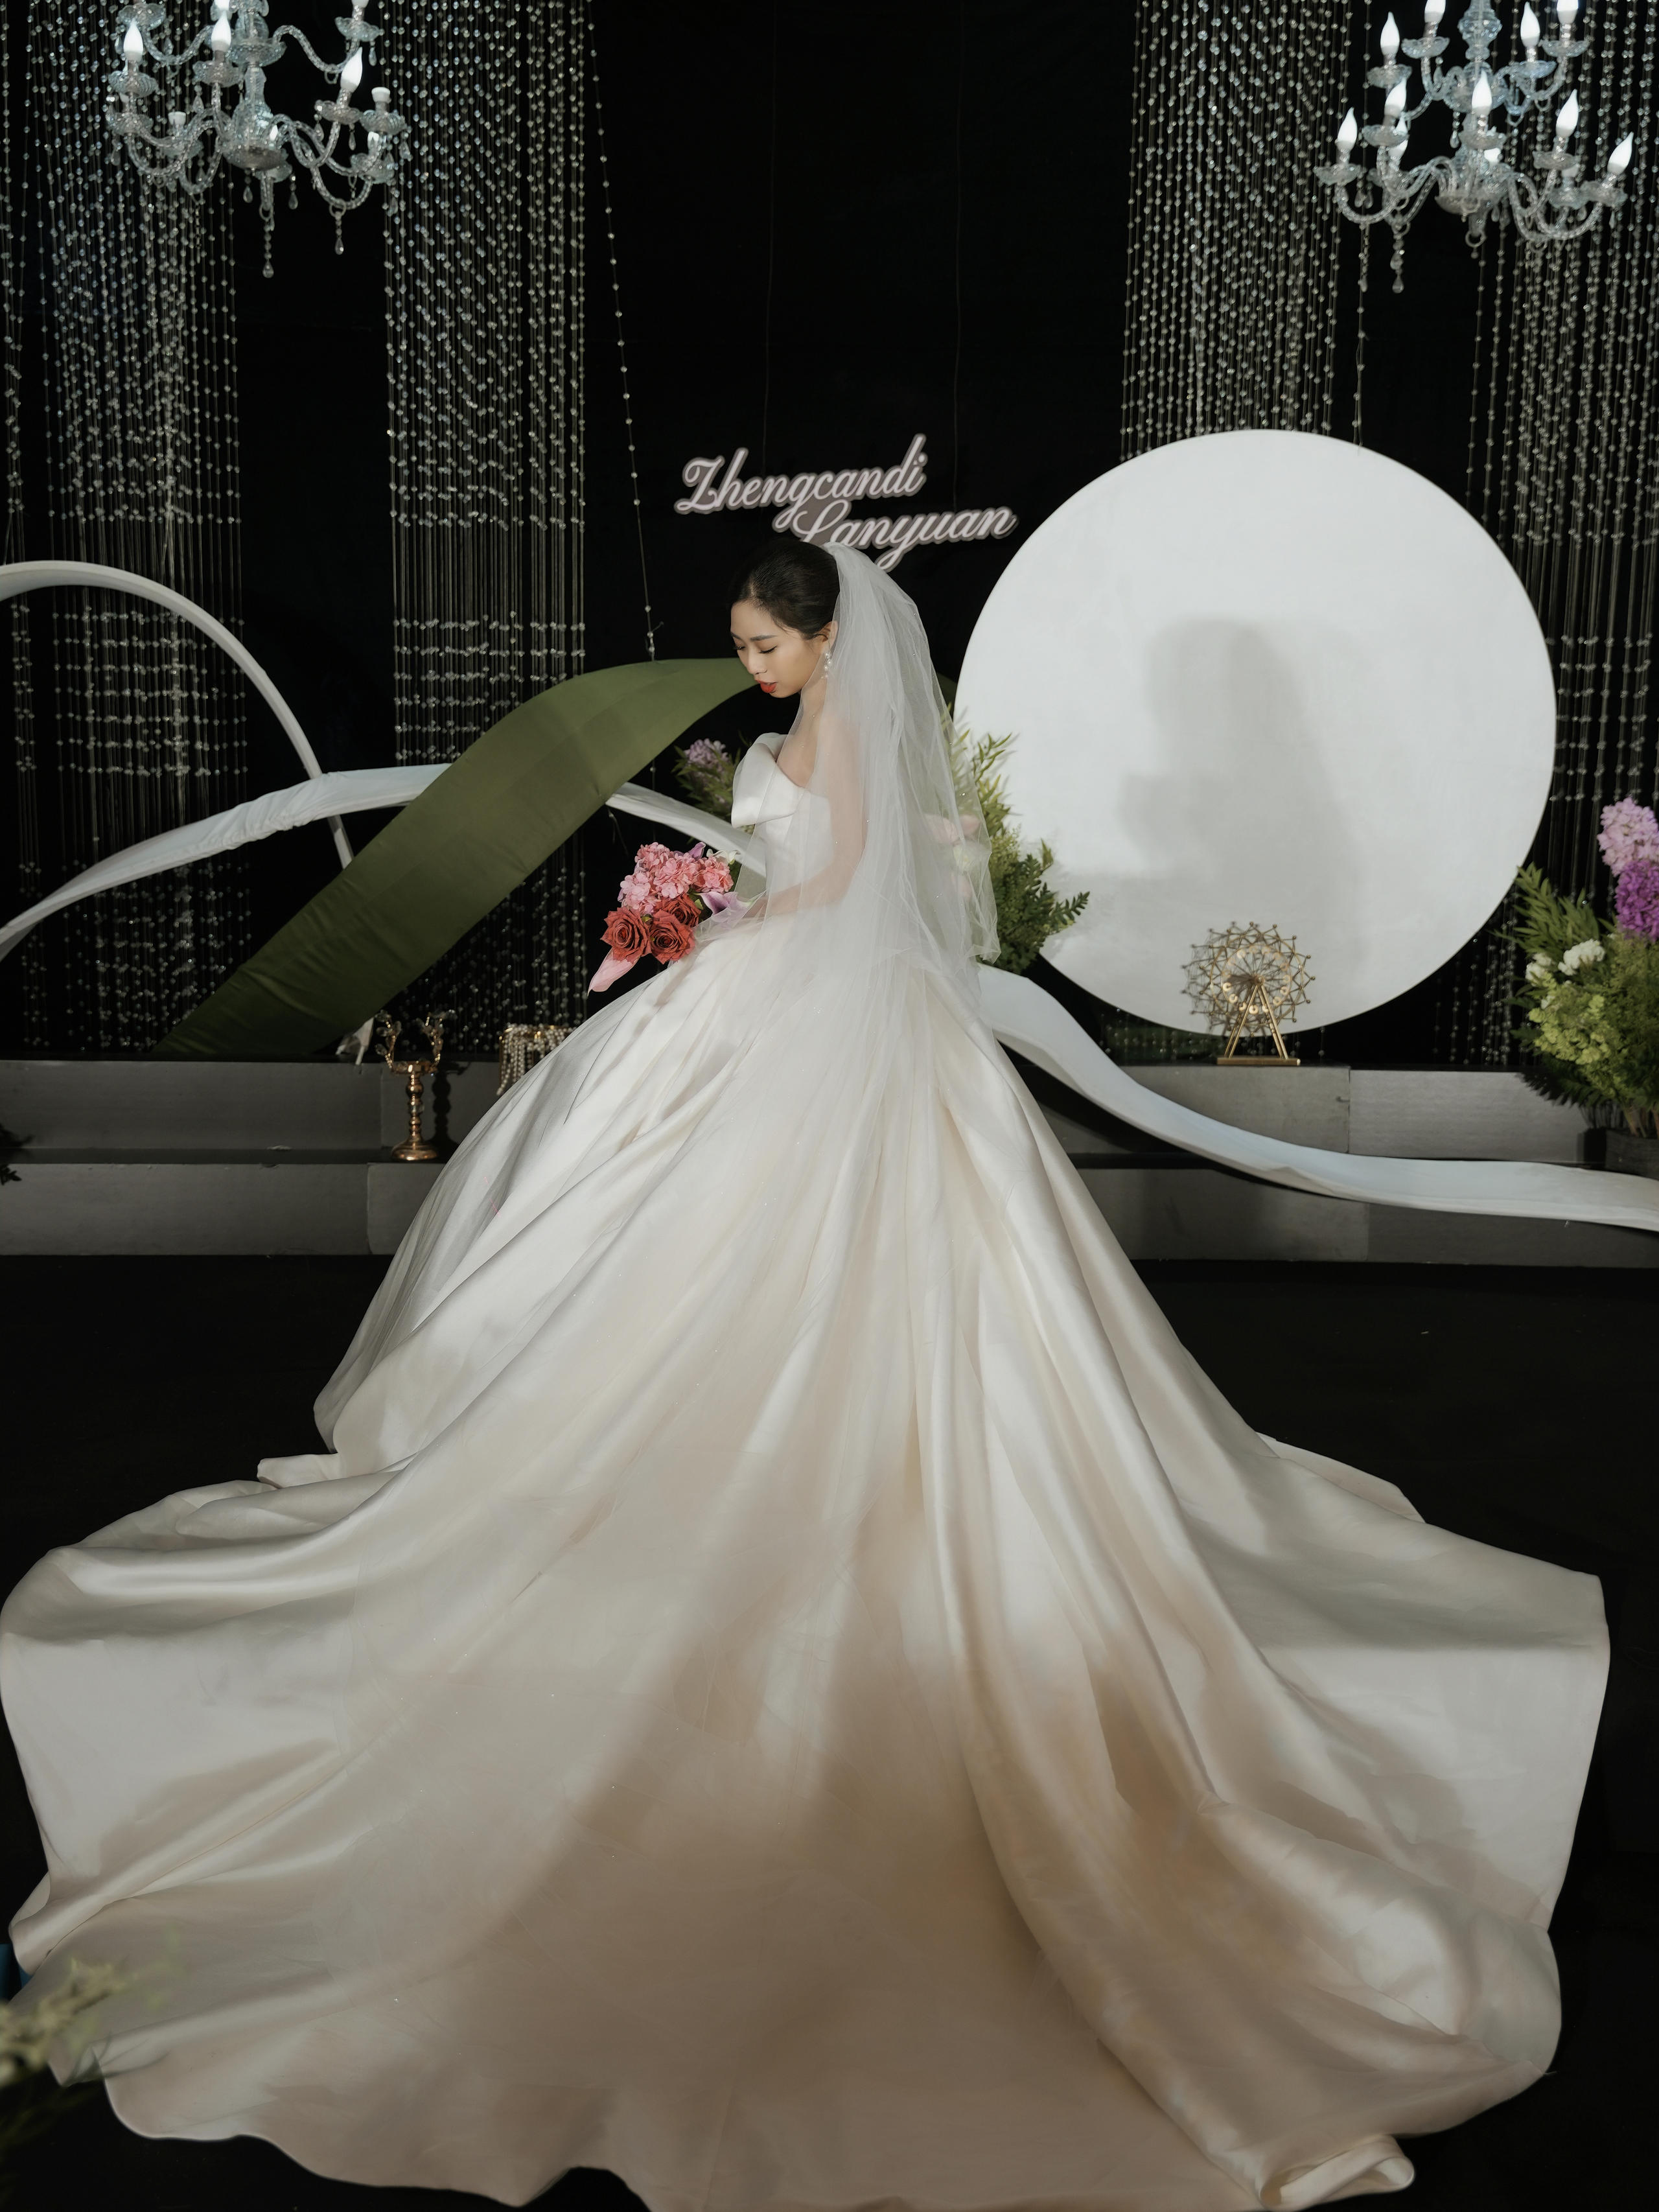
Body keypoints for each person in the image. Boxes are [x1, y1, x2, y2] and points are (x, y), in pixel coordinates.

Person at [1, 542, 1607, 2211]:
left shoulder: (840, 733)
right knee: (653, 1227)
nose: (752, 668)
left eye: (767, 645)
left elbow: (833, 891)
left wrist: (709, 920)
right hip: (795, 1007)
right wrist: (711, 916)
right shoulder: (823, 725)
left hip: (802, 1012)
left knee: (766, 1249)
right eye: (744, 646)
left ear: (827, 637)